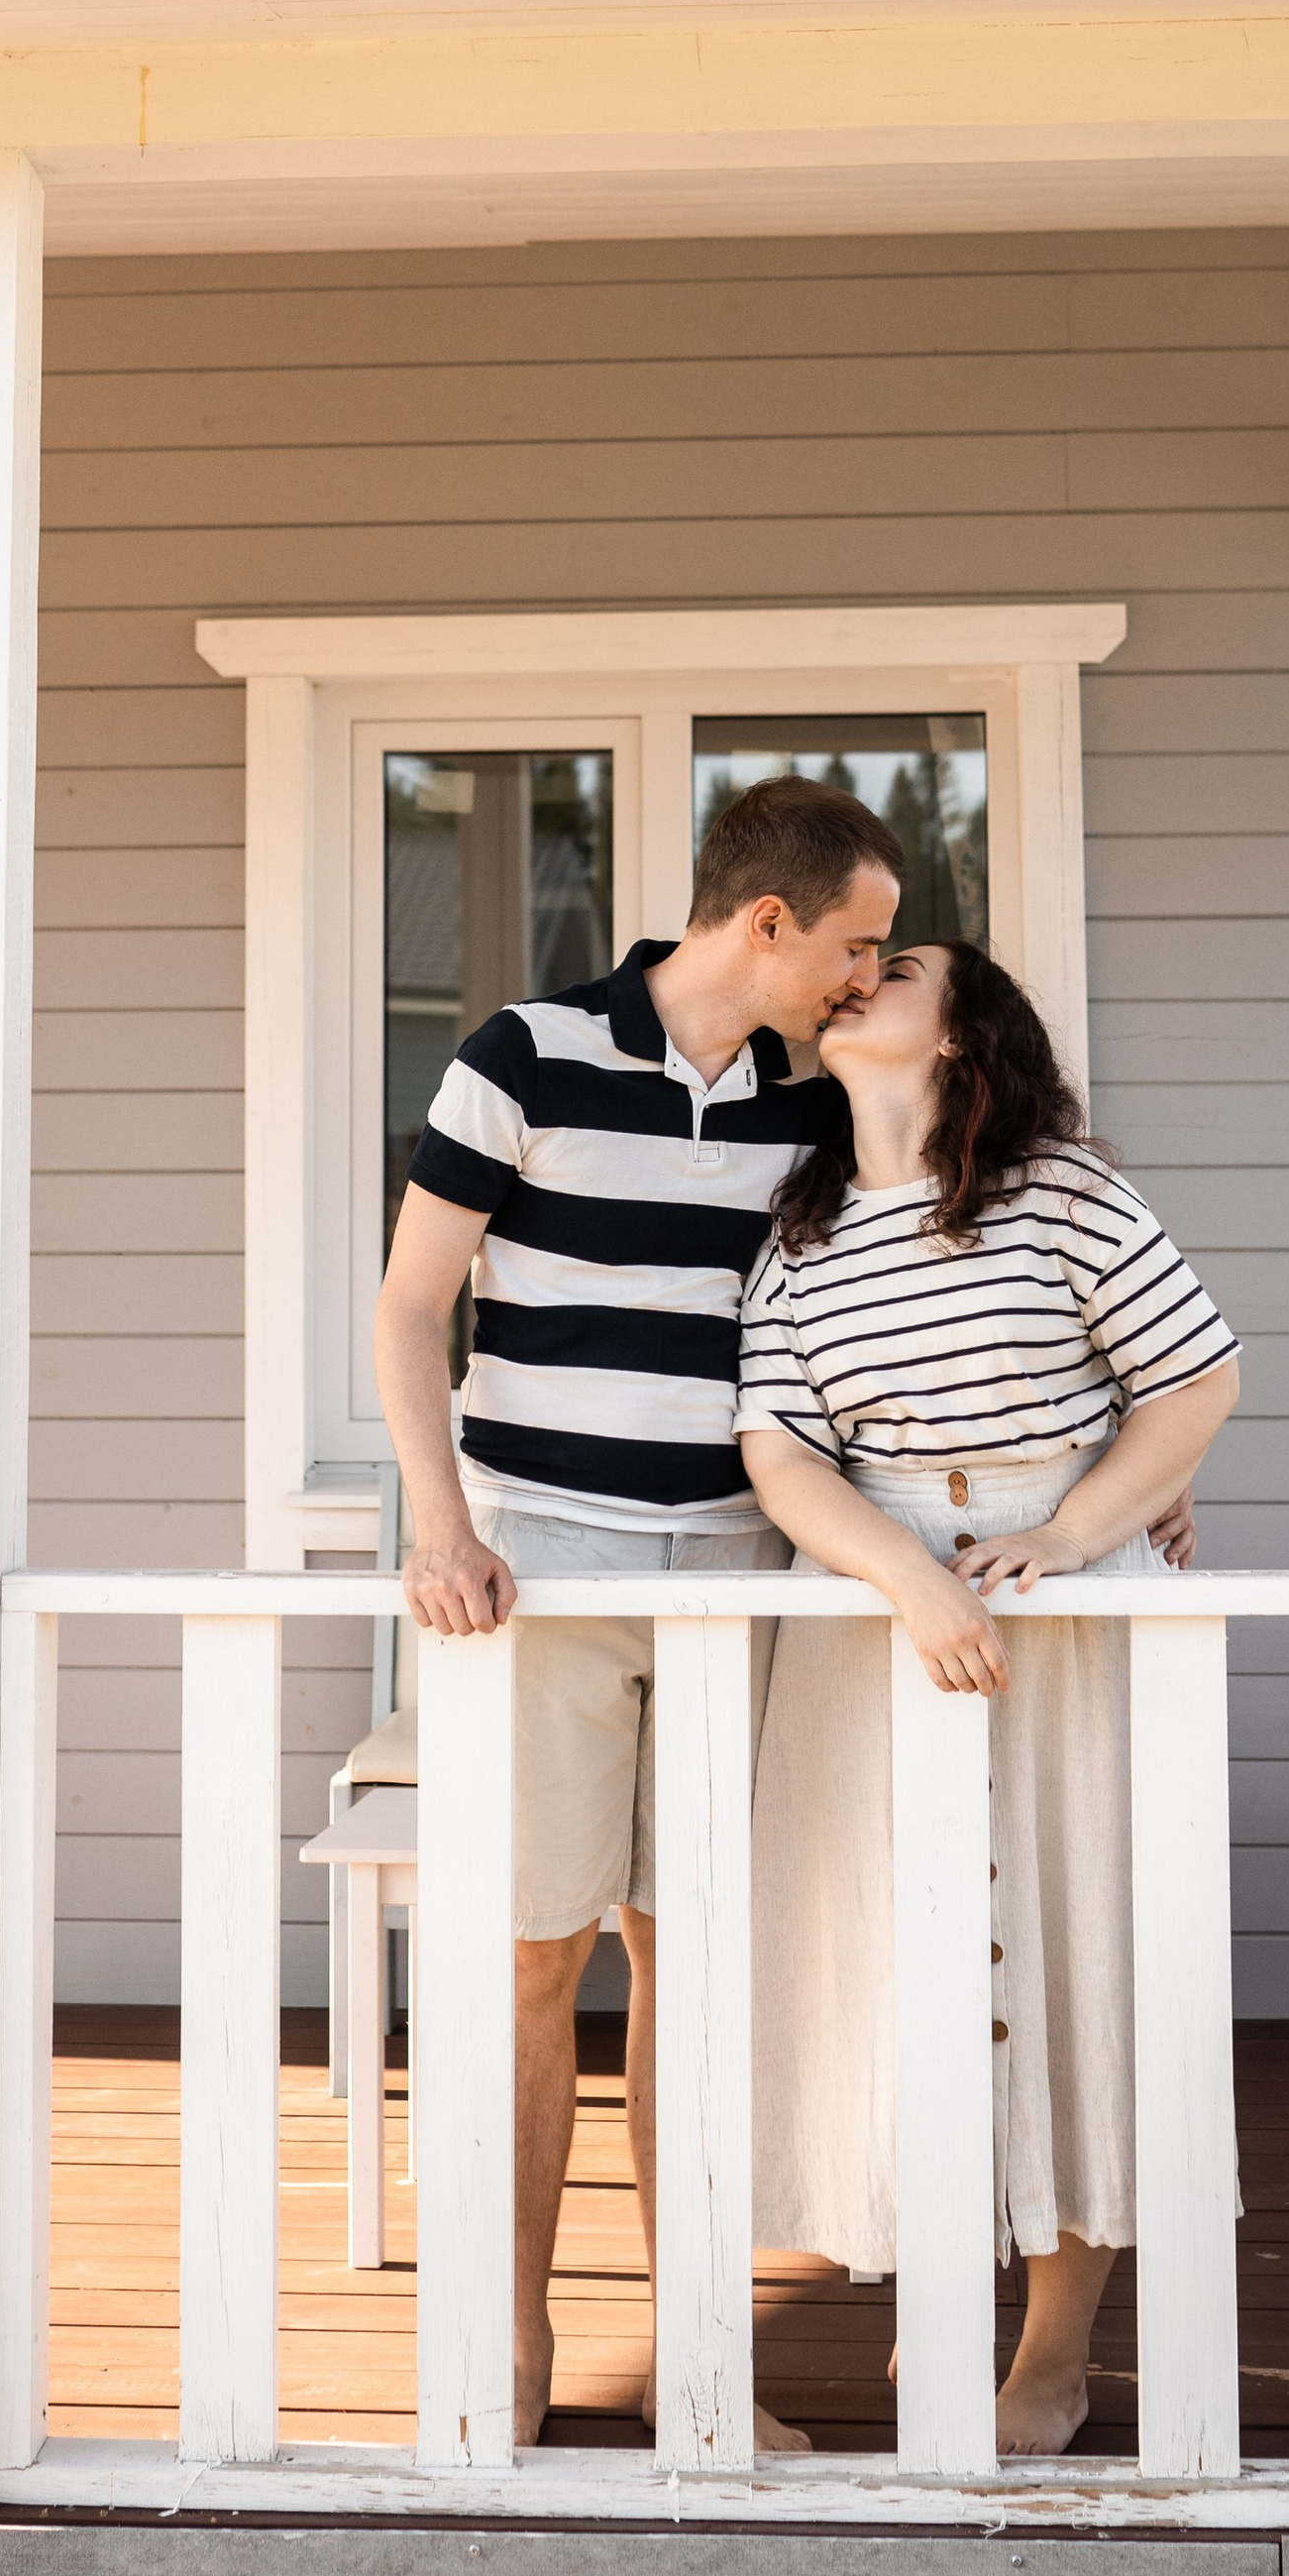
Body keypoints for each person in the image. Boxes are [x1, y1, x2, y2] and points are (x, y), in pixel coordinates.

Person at [375, 772, 904, 2450]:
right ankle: (510, 2344)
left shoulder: (811, 1109)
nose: (868, 978)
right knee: (533, 1962)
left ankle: (702, 2372)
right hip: (539, 1573)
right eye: (856, 943)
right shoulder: (524, 1056)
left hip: (740, 1577)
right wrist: (441, 1528)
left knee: (696, 1971)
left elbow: (930, 1274)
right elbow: (408, 1311)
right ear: (769, 921)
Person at [737, 937, 1240, 2457]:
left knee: (1086, 1953)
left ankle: (1055, 2352)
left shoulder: (1065, 1187)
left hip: (1070, 1618)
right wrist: (911, 1574)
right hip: (883, 1623)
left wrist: (1071, 1534)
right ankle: (931, 2301)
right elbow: (781, 1449)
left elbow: (1194, 1380)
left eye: (895, 967)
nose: (855, 977)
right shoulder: (799, 1230)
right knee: (899, 1966)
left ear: (961, 1036)